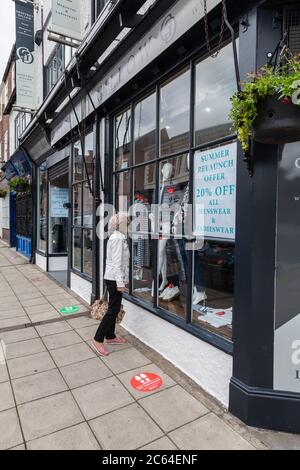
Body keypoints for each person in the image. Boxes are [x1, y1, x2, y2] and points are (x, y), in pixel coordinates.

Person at [91, 212, 130, 356]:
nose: (128, 225)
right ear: (120, 224)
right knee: (112, 310)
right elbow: (116, 264)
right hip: (114, 279)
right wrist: (121, 282)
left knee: (114, 308)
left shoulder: (116, 237)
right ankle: (97, 339)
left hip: (113, 278)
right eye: (127, 222)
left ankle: (110, 336)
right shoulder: (118, 238)